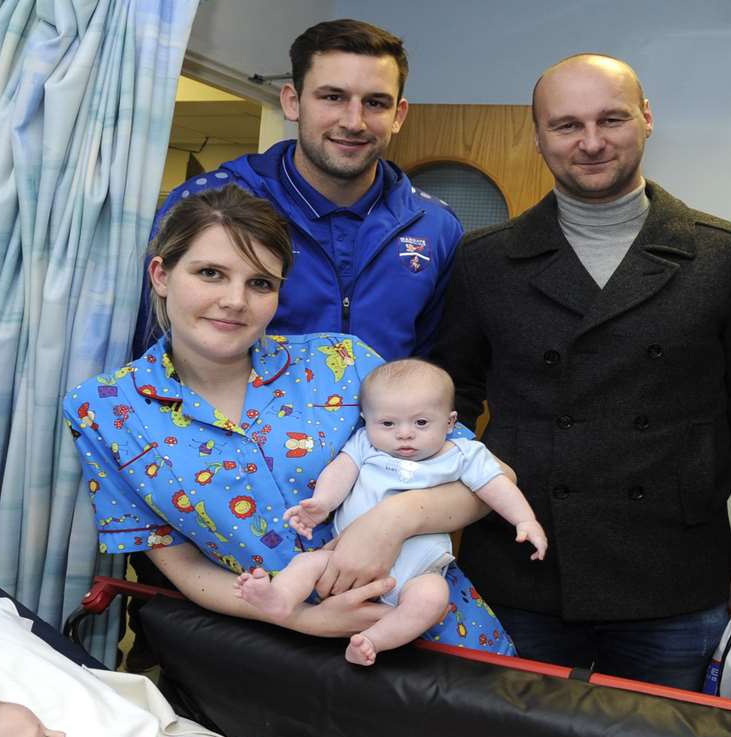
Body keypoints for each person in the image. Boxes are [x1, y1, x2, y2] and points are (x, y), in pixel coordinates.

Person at [427, 54, 731, 692]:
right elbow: (447, 401)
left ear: (646, 119)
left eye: (612, 118)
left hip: (674, 573)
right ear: (538, 135)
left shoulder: (724, 254)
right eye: (567, 125)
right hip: (523, 563)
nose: (591, 142)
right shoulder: (486, 260)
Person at [65, 185, 515, 654]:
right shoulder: (105, 410)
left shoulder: (344, 364)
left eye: (260, 283)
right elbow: (179, 562)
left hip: (442, 638)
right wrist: (306, 619)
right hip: (282, 659)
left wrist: (393, 520)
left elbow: (491, 477)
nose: (235, 300)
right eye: (211, 273)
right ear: (161, 274)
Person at [138, 19, 459, 364]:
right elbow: (154, 348)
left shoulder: (434, 227)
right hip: (229, 418)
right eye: (333, 97)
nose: (354, 122)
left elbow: (434, 369)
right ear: (293, 102)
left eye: (376, 103)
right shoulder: (208, 204)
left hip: (382, 419)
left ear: (399, 114)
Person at [236, 359, 546, 665]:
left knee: (433, 597)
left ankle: (371, 641)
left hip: (416, 574)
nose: (404, 434)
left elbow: (496, 485)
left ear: (450, 423)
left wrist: (524, 519)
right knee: (307, 564)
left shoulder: (462, 454)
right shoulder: (365, 445)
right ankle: (279, 599)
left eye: (421, 423)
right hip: (345, 560)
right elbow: (340, 471)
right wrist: (323, 503)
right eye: (388, 423)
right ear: (366, 420)